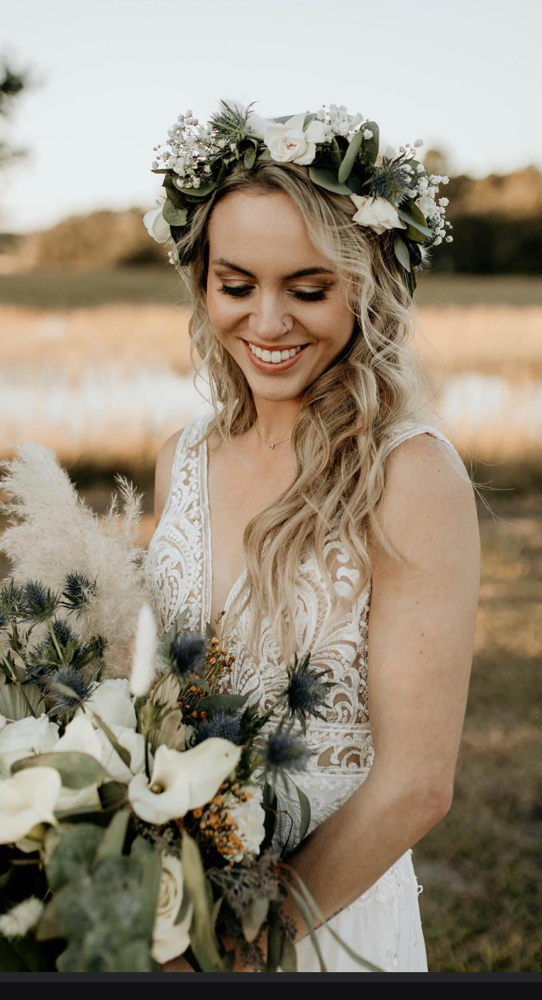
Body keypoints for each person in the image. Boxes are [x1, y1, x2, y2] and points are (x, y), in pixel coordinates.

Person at [143, 102, 481, 973]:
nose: (267, 321)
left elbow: (416, 786)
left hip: (321, 919)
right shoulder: (178, 458)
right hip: (167, 908)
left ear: (367, 286)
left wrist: (244, 945)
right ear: (202, 283)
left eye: (307, 288)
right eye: (237, 284)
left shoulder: (412, 475)